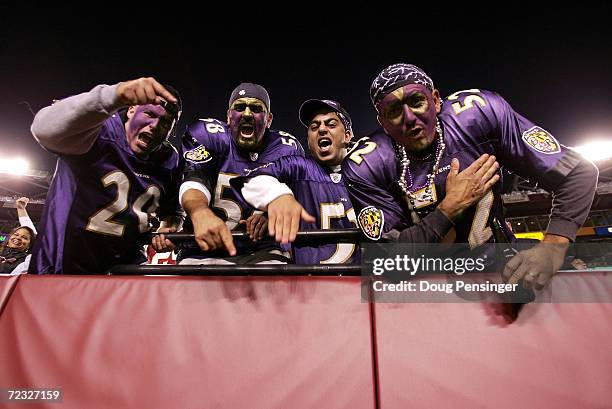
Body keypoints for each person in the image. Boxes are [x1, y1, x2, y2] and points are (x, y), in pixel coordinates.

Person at [343, 63, 598, 290]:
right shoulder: (365, 165)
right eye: (395, 111)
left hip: (501, 275)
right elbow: (389, 264)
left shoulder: (480, 113)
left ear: (436, 100)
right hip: (423, 289)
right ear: (383, 122)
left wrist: (553, 246)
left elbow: (577, 172)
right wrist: (449, 209)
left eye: (416, 102)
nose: (409, 118)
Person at [30, 77, 184, 274]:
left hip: (126, 269)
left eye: (165, 122)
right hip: (65, 264)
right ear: (130, 109)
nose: (155, 125)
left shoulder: (169, 158)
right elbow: (42, 129)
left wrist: (168, 228)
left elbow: (173, 211)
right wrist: (114, 94)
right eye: (149, 113)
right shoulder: (96, 130)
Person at [179, 82, 305, 264]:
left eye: (255, 108)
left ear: (269, 120)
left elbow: (295, 199)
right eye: (240, 107)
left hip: (261, 250)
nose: (247, 114)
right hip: (204, 249)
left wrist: (271, 215)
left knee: (277, 278)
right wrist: (200, 212)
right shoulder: (209, 135)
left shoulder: (287, 148)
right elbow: (196, 178)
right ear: (229, 116)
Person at [231, 99, 359, 264]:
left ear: (347, 135)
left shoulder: (369, 169)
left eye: (331, 124)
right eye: (314, 127)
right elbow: (250, 180)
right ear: (308, 141)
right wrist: (277, 199)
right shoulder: (298, 167)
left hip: (364, 281)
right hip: (311, 284)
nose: (321, 129)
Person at [0, 197, 37, 275]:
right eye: (16, 234)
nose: (18, 238)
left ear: (29, 245)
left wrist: (21, 210)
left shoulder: (27, 260)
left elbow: (33, 235)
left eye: (24, 238)